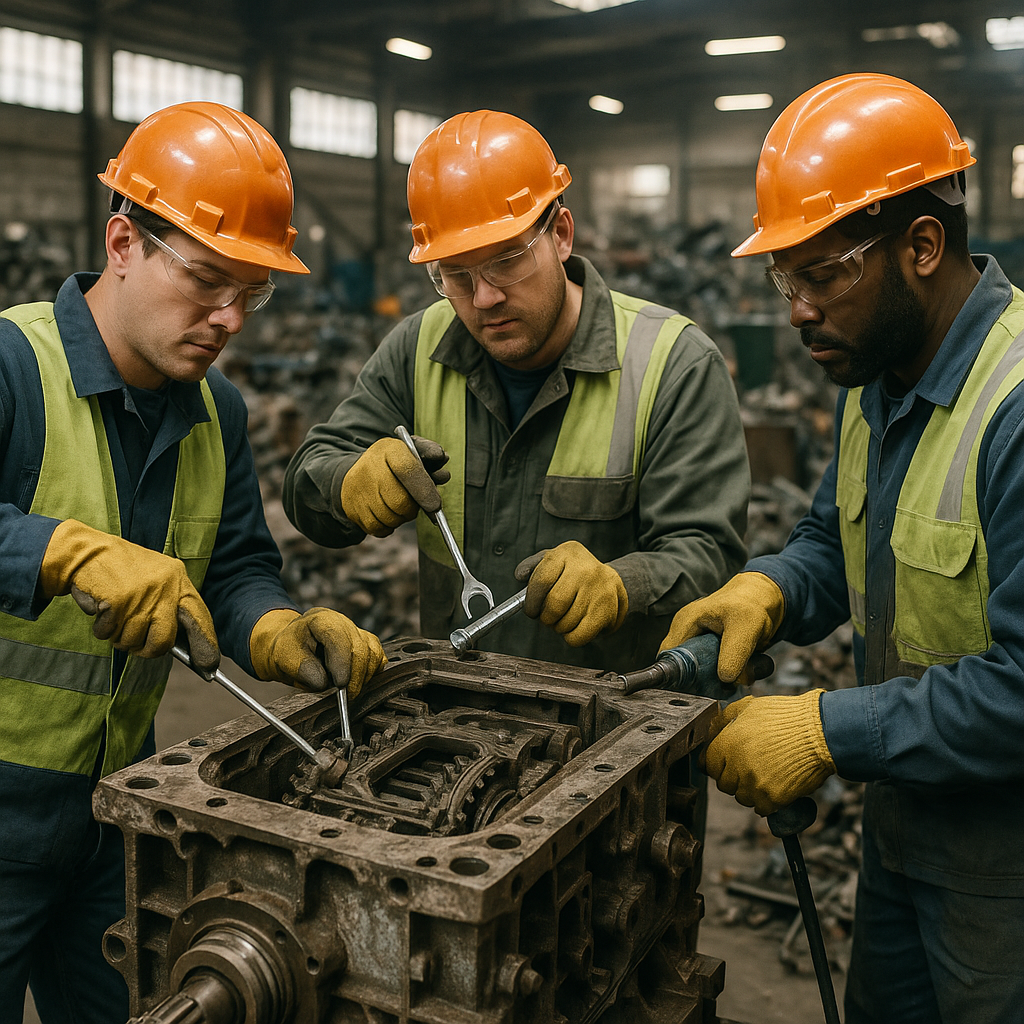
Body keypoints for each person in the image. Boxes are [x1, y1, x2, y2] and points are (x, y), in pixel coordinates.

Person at [0, 102, 385, 1024]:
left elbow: (236, 569)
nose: (229, 319)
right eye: (209, 279)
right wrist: (59, 549)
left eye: (251, 294)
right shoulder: (13, 364)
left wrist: (279, 633)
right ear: (123, 240)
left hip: (109, 824)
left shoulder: (218, 410)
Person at [662, 73, 1024, 1023]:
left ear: (921, 246)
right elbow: (836, 536)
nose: (796, 311)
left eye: (822, 276)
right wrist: (770, 592)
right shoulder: (878, 377)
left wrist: (827, 730)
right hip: (904, 831)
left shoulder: (1014, 410)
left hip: (1006, 874)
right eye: (786, 280)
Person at [282, 109, 749, 674]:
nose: (483, 299)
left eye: (506, 263)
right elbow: (309, 478)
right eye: (455, 275)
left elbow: (711, 555)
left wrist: (621, 584)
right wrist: (346, 484)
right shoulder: (418, 347)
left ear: (560, 235)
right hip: (465, 719)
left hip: (620, 729)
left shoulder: (672, 362)